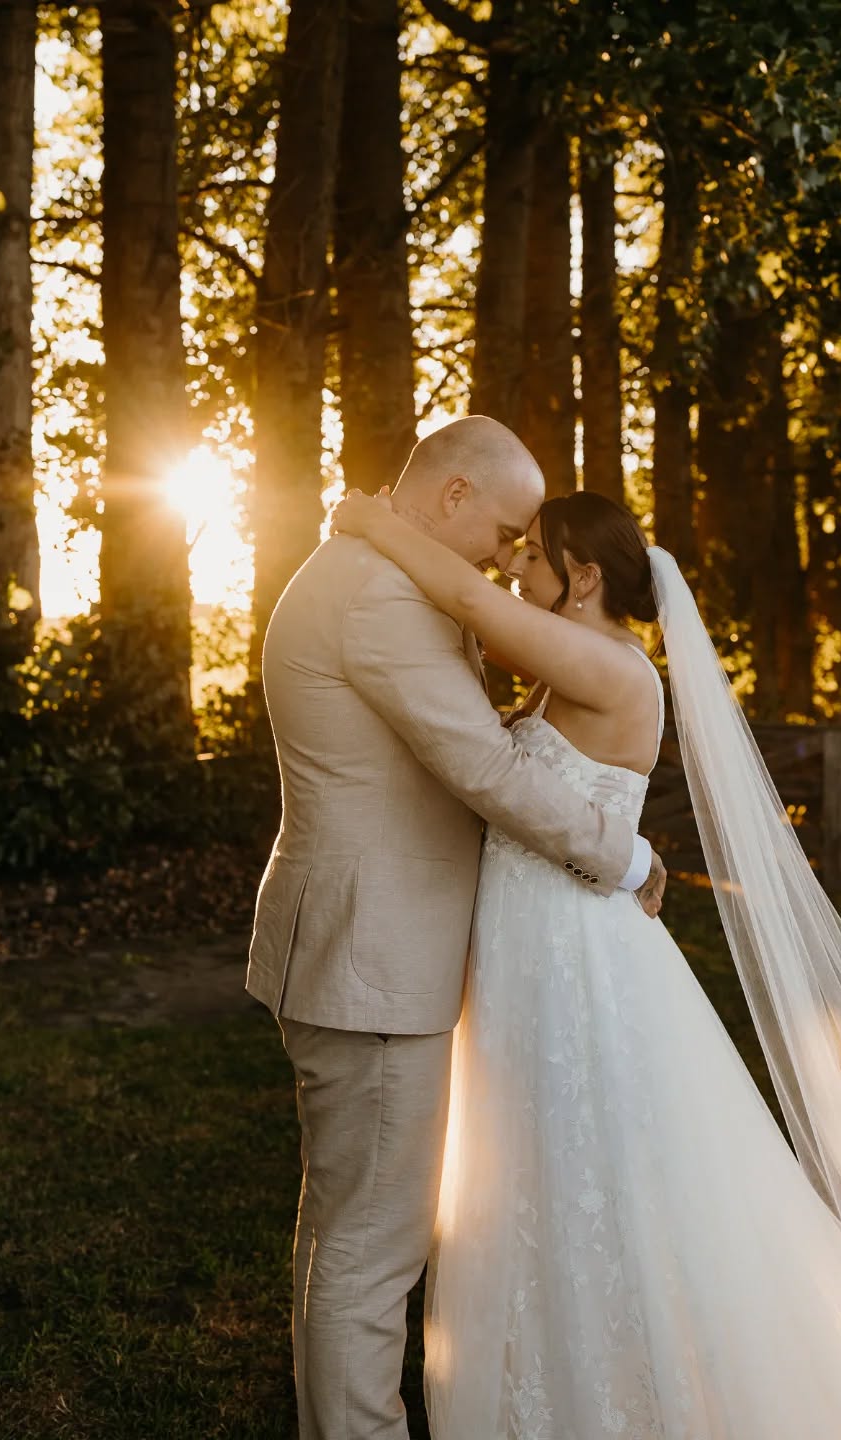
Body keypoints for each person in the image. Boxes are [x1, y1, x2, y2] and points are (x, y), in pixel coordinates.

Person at [331, 483, 841, 1440]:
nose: (510, 566)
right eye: (512, 551)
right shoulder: (576, 664)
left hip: (572, 951)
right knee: (530, 1160)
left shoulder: (614, 668)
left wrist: (373, 524)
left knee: (585, 1158)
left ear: (585, 576)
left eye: (532, 553)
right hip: (533, 939)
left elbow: (472, 606)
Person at [246, 417, 666, 1440]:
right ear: (453, 498)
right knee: (372, 1247)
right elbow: (482, 766)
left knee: (346, 1232)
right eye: (508, 527)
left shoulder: (369, 572)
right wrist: (628, 854)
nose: (507, 552)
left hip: (368, 945)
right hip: (372, 954)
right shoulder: (379, 594)